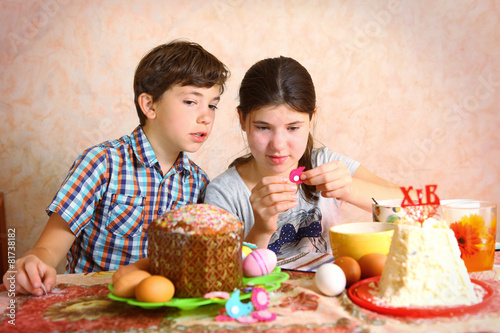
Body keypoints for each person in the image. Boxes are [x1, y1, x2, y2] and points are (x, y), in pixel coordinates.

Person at [3, 40, 230, 295]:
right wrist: (35, 262)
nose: (206, 117)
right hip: (93, 304)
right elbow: (49, 249)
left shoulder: (198, 182)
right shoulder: (102, 163)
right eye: (191, 101)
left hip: (160, 310)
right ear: (149, 105)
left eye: (212, 105)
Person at [204, 56, 402, 258]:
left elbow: (409, 205)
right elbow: (219, 275)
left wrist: (349, 187)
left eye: (293, 128)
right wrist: (261, 230)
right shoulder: (224, 193)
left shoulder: (325, 164)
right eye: (263, 127)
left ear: (311, 119)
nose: (278, 145)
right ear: (242, 120)